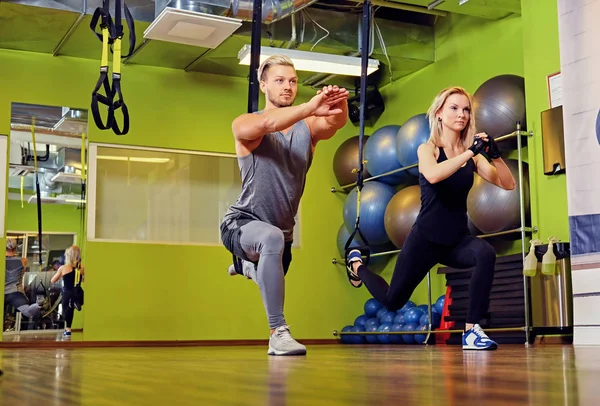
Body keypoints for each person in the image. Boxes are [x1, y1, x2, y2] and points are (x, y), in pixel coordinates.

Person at [345, 86, 516, 351]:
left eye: (466, 109)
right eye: (454, 108)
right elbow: (434, 175)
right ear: (438, 114)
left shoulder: (473, 156)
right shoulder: (429, 150)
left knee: (484, 253)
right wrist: (470, 152)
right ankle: (357, 266)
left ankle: (471, 331)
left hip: (456, 240)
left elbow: (507, 184)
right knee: (392, 301)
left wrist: (495, 156)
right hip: (425, 240)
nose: (462, 114)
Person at [220, 54, 349, 356]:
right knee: (270, 238)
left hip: (282, 237)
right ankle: (278, 333)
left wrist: (338, 102)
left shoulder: (308, 129)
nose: (288, 86)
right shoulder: (246, 123)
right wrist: (309, 107)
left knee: (274, 246)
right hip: (240, 223)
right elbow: (268, 123)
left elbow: (335, 123)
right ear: (263, 85)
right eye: (279, 80)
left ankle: (246, 268)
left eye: (292, 81)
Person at [4, 238, 42, 322]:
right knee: (28, 311)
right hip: (15, 293)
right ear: (15, 248)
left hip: (2, 292)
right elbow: (22, 272)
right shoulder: (23, 260)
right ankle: (38, 305)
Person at [51, 246, 84, 337]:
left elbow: (53, 280)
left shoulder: (63, 268)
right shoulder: (82, 268)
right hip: (78, 292)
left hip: (67, 292)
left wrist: (61, 275)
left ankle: (68, 329)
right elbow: (84, 280)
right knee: (72, 307)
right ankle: (75, 303)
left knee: (67, 310)